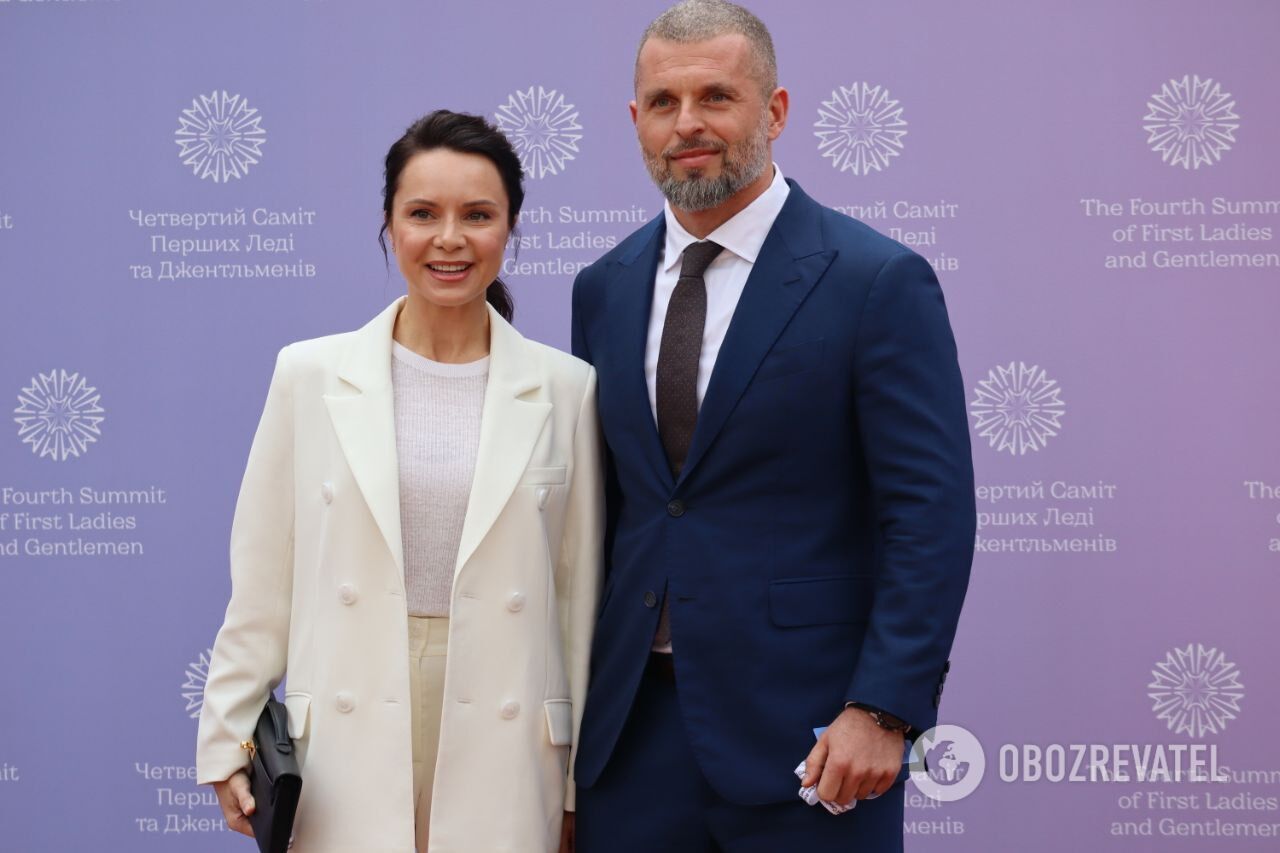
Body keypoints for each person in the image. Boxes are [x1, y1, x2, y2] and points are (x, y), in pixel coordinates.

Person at [569, 2, 975, 850]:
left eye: (717, 96)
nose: (688, 124)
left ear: (776, 111)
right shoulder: (601, 288)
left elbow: (929, 515)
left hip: (815, 744)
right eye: (663, 101)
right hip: (630, 741)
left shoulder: (875, 280)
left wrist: (883, 707)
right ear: (634, 120)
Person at [196, 110, 602, 853]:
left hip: (508, 726)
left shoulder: (566, 389)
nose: (450, 238)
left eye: (477, 214)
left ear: (510, 227)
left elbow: (577, 604)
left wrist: (577, 780)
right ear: (389, 224)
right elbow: (262, 576)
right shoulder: (310, 375)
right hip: (348, 715)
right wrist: (227, 729)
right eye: (423, 213)